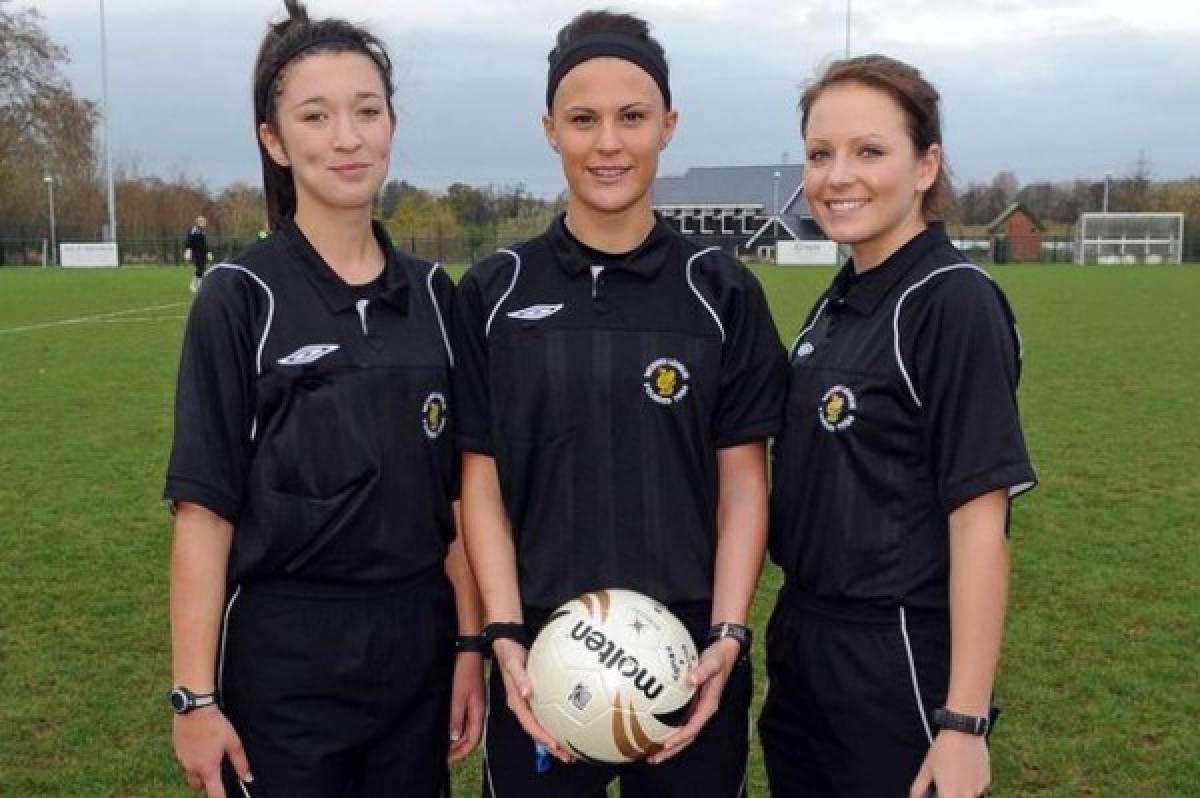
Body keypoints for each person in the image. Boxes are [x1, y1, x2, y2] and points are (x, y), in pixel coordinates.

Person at [453, 10, 787, 797]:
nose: (609, 143)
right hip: (537, 658)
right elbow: (480, 482)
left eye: (632, 117)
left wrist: (728, 637)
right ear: (550, 130)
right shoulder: (494, 293)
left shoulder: (721, 290)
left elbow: (744, 482)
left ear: (668, 126)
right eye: (583, 119)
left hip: (690, 655)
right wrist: (503, 637)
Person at [163, 3, 484, 797]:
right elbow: (204, 513)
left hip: (418, 647)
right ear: (274, 140)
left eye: (366, 111)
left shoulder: (439, 297)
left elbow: (460, 500)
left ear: (390, 124)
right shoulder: (239, 299)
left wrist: (470, 645)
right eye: (316, 115)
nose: (347, 137)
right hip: (288, 659)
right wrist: (194, 698)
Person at [758, 54, 1037, 798]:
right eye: (821, 154)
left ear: (926, 166)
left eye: (870, 151)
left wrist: (964, 723)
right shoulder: (839, 300)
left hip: (895, 654)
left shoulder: (952, 302)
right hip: (804, 642)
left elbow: (982, 524)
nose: (838, 175)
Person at [185, 215, 213, 292]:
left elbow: (204, 244)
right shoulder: (193, 231)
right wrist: (188, 250)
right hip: (196, 253)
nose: (205, 223)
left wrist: (208, 252)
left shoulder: (202, 231)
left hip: (202, 253)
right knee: (200, 269)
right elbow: (189, 242)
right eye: (203, 222)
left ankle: (197, 285)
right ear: (198, 222)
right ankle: (195, 285)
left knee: (202, 269)